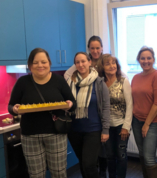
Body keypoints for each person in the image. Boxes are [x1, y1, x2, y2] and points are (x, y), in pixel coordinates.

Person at [8, 48, 76, 178]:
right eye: (36, 62)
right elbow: (11, 106)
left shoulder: (59, 81)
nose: (40, 65)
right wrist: (15, 109)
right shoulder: (22, 82)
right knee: (36, 175)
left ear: (49, 63)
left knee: (59, 173)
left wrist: (69, 105)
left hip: (56, 133)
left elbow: (73, 103)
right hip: (30, 136)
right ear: (30, 65)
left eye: (43, 62)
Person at [66, 52, 110, 178]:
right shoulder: (69, 83)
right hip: (74, 130)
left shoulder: (99, 83)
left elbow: (106, 108)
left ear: (89, 62)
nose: (81, 64)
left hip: (93, 130)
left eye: (83, 61)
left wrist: (105, 130)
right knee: (83, 164)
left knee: (89, 164)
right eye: (77, 62)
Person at [131, 46, 157, 178]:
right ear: (138, 60)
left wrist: (146, 124)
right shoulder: (135, 77)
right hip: (136, 120)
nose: (146, 61)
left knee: (149, 157)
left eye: (149, 58)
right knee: (142, 154)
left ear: (153, 59)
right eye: (142, 58)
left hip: (152, 123)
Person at [97, 54, 133, 178]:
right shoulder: (99, 83)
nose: (112, 66)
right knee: (110, 156)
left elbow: (130, 105)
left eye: (114, 63)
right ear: (102, 66)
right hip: (106, 127)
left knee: (121, 155)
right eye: (108, 63)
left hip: (121, 126)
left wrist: (126, 127)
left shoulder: (123, 81)